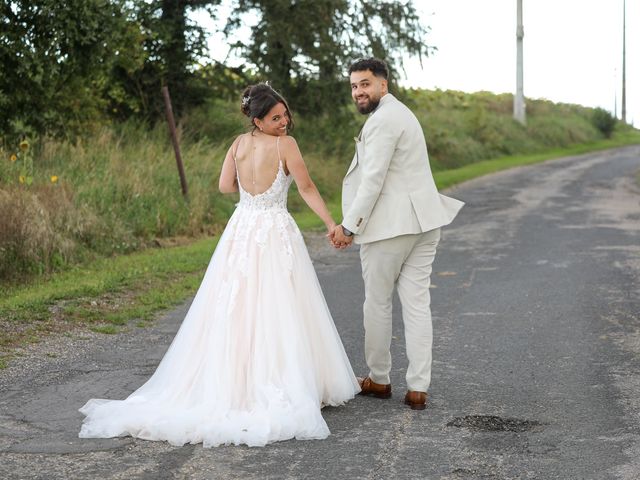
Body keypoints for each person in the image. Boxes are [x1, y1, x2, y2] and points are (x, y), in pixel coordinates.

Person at [79, 83, 360, 447]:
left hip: (242, 228)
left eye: (285, 115)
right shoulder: (285, 146)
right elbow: (305, 188)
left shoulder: (237, 145)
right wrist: (329, 224)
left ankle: (237, 382)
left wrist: (250, 186)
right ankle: (286, 380)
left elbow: (225, 186)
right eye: (276, 118)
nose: (284, 122)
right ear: (257, 120)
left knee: (237, 302)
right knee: (280, 303)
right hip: (273, 228)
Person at [329, 58, 464, 410]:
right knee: (417, 304)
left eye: (365, 84)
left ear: (383, 85)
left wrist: (348, 226)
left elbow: (372, 180)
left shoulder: (383, 120)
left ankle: (379, 379)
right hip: (424, 223)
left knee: (377, 302)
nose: (359, 91)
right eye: (354, 86)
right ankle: (418, 387)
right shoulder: (401, 113)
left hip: (391, 228)